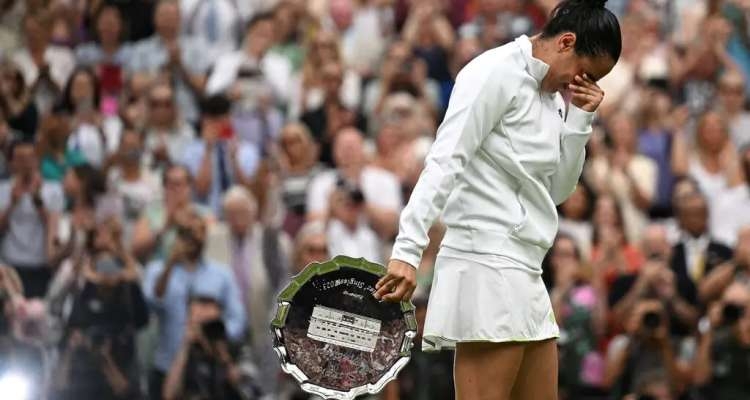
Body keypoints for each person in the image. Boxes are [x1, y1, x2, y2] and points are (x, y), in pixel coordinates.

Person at [374, 1, 621, 399]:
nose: (585, 84)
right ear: (567, 42)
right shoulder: (493, 71)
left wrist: (580, 121)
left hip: (527, 267)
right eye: (586, 73)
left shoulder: (558, 99)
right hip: (484, 261)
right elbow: (444, 160)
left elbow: (557, 191)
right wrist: (407, 249)